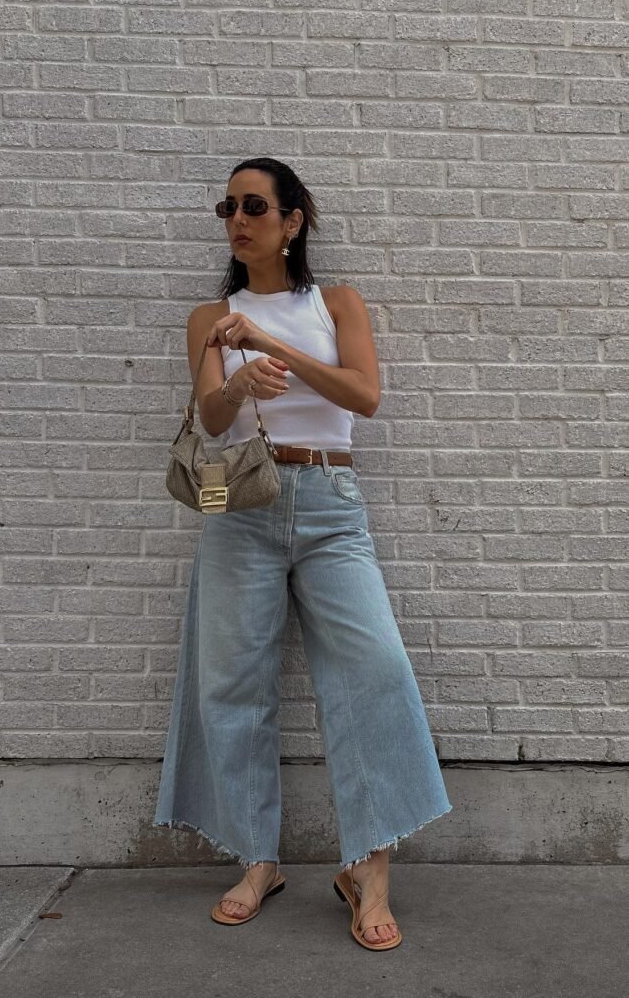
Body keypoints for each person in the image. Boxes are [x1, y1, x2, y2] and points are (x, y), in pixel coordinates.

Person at [153, 157, 452, 951]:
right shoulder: (208, 317)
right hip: (239, 510)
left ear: (292, 221)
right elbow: (212, 422)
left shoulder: (336, 302)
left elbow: (363, 395)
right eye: (226, 206)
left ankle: (368, 869)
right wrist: (238, 384)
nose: (237, 219)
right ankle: (259, 860)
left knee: (373, 675)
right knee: (232, 684)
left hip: (329, 506)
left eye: (253, 205)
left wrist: (270, 341)